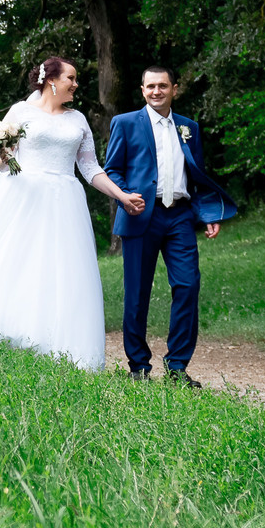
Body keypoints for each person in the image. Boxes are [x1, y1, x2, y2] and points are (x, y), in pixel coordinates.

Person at [0, 56, 143, 371]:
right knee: (13, 262)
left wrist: (122, 195)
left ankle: (56, 342)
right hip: (23, 195)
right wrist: (2, 154)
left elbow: (90, 168)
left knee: (62, 270)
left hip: (64, 200)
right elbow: (0, 163)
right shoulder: (21, 112)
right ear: (51, 80)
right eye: (71, 78)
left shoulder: (78, 120)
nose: (76, 84)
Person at [102, 64, 239, 385]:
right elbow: (112, 169)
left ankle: (177, 367)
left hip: (180, 216)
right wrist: (125, 196)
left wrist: (208, 214)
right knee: (137, 293)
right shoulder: (125, 123)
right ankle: (139, 367)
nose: (156, 92)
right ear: (142, 90)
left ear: (174, 89)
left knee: (188, 285)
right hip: (140, 216)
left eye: (162, 86)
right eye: (150, 86)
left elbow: (197, 175)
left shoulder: (189, 127)